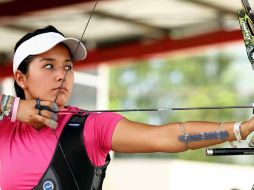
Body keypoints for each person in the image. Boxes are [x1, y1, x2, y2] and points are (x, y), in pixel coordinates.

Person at [0, 25, 254, 190]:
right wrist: (11, 106)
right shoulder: (4, 127)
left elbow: (169, 136)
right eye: (48, 66)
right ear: (21, 78)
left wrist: (239, 129)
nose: (61, 75)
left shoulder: (90, 126)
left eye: (68, 66)